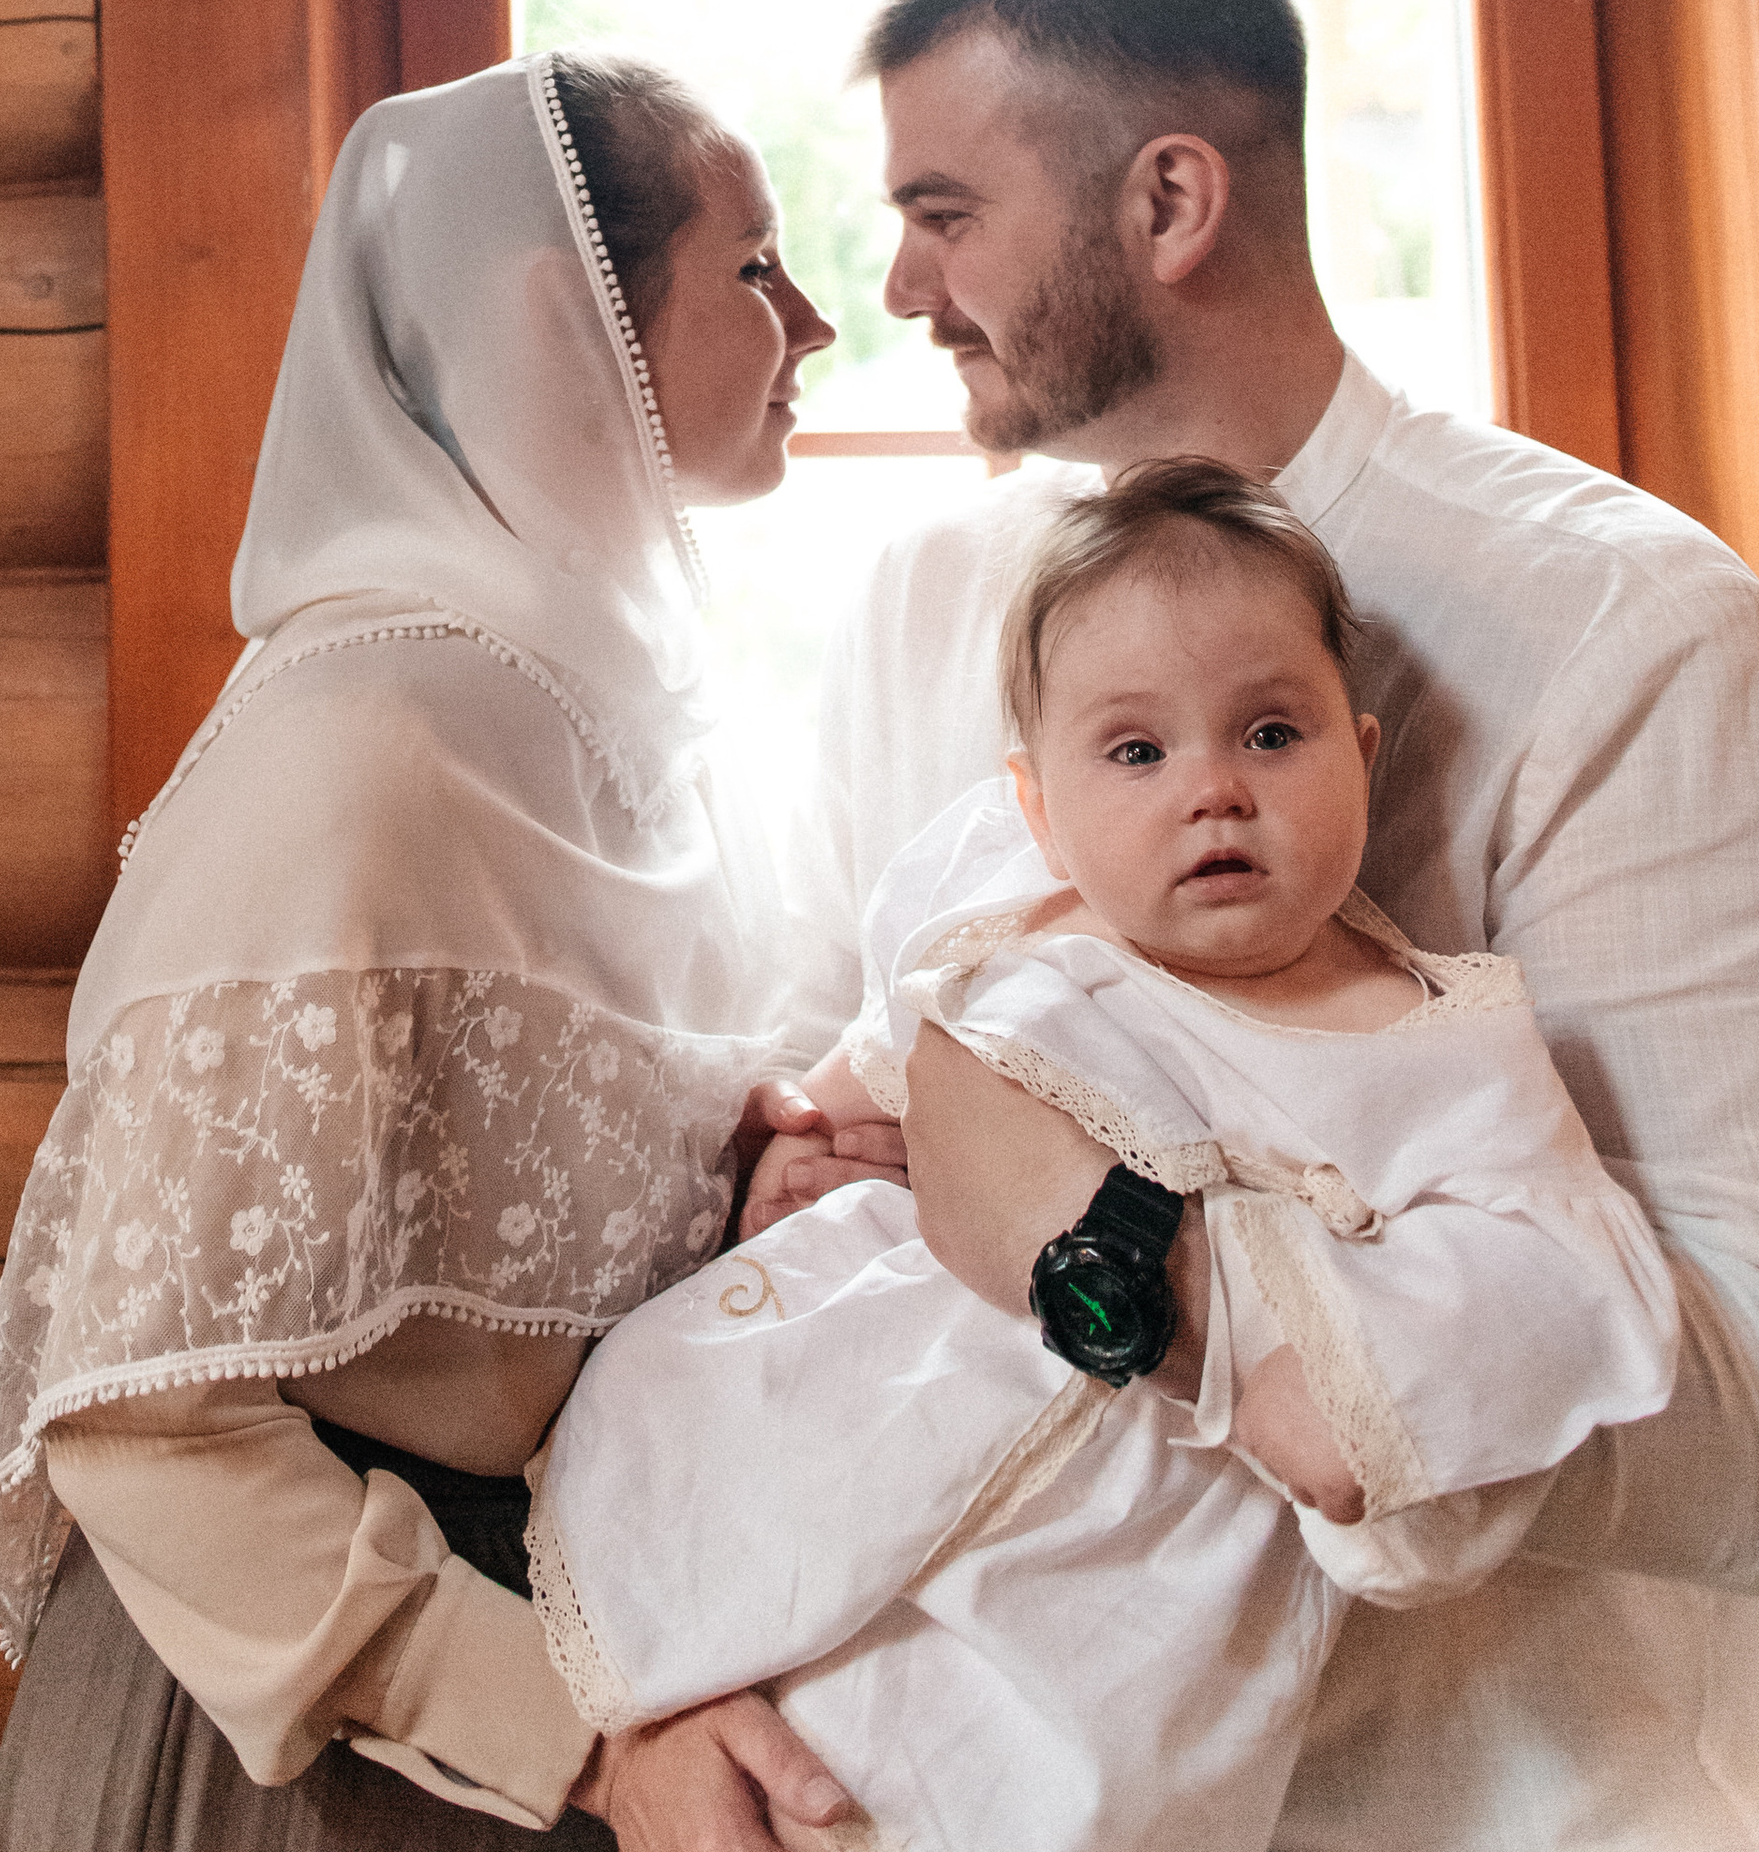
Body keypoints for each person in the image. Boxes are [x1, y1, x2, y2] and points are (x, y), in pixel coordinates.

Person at [772, 0, 1759, 1850]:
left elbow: (1752, 1396)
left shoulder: (1616, 632)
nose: (890, 283)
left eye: (944, 208)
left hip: (1502, 1805)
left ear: (1164, 203)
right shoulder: (907, 618)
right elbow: (796, 1111)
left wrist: (1165, 1279)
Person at [0, 47, 857, 1852]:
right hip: (326, 1739)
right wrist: (586, 1742)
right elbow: (142, 1421)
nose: (817, 322)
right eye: (755, 268)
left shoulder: (657, 724)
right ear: (563, 315)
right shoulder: (359, 746)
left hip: (631, 1649)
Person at [529, 459, 1678, 1852]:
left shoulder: (1441, 1045)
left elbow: (1552, 1277)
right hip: (870, 1397)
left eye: (1271, 734)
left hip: (1122, 1570)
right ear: (1038, 804)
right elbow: (865, 1063)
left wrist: (1327, 1370)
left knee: (1012, 1783)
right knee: (758, 1660)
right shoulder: (1025, 907)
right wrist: (801, 1148)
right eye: (1136, 753)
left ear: (1364, 756)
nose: (1212, 792)